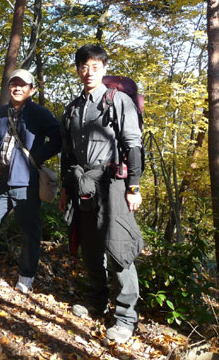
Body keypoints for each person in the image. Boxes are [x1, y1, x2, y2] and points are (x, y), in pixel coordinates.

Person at [59, 44, 143, 344]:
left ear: (104, 68)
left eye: (95, 66)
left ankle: (126, 318)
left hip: (112, 184)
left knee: (119, 248)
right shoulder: (72, 108)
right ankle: (97, 302)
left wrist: (134, 187)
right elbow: (67, 154)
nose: (89, 72)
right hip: (82, 185)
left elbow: (133, 144)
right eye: (84, 66)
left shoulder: (118, 101)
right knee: (90, 247)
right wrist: (65, 189)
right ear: (78, 70)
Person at [0, 69, 61, 294]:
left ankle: (26, 275)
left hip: (27, 182)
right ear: (9, 88)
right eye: (13, 84)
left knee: (29, 230)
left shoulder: (39, 114)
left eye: (23, 85)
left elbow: (58, 137)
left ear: (31, 90)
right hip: (3, 180)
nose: (17, 88)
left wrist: (37, 157)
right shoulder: (0, 113)